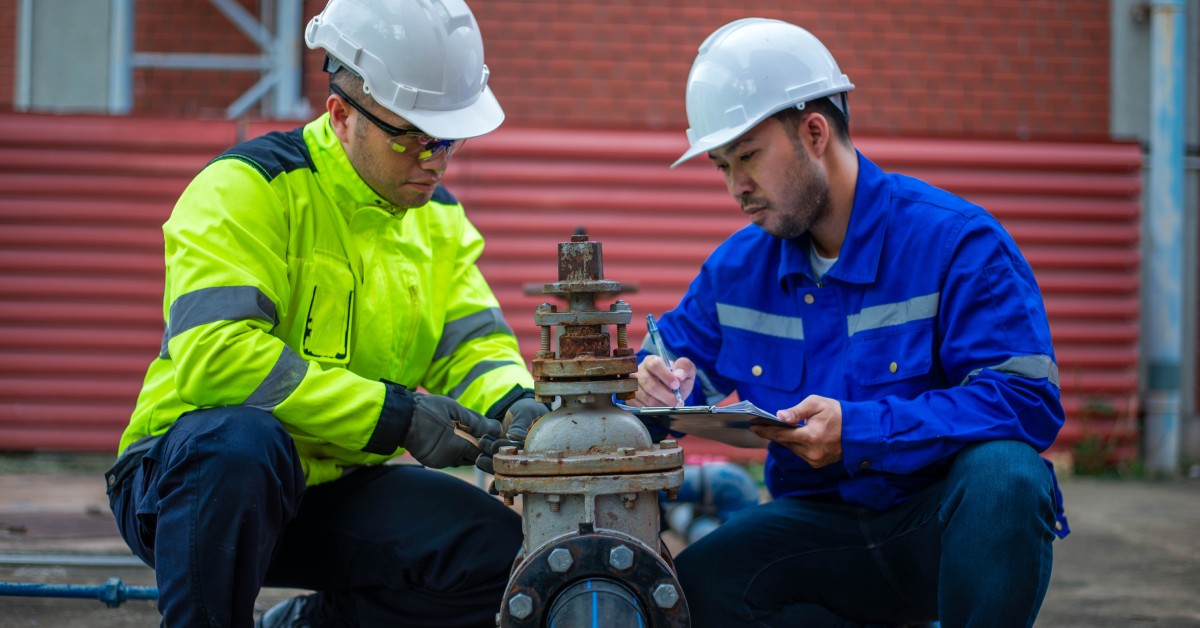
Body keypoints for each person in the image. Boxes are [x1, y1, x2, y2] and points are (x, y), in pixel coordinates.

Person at [103, 0, 546, 625]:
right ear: (341, 116)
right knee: (242, 443)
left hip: (330, 484)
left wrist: (512, 403)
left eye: (449, 140)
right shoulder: (248, 188)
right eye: (413, 138)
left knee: (498, 560)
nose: (436, 161)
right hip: (190, 481)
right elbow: (216, 360)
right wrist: (397, 417)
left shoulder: (437, 218)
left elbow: (470, 344)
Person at [631, 18, 1069, 628]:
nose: (737, 187)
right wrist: (649, 384)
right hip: (820, 532)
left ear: (813, 132)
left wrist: (863, 430)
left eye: (748, 157)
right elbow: (668, 373)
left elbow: (1026, 402)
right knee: (691, 591)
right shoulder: (737, 268)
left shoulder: (956, 243)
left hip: (937, 526)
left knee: (1007, 477)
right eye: (722, 165)